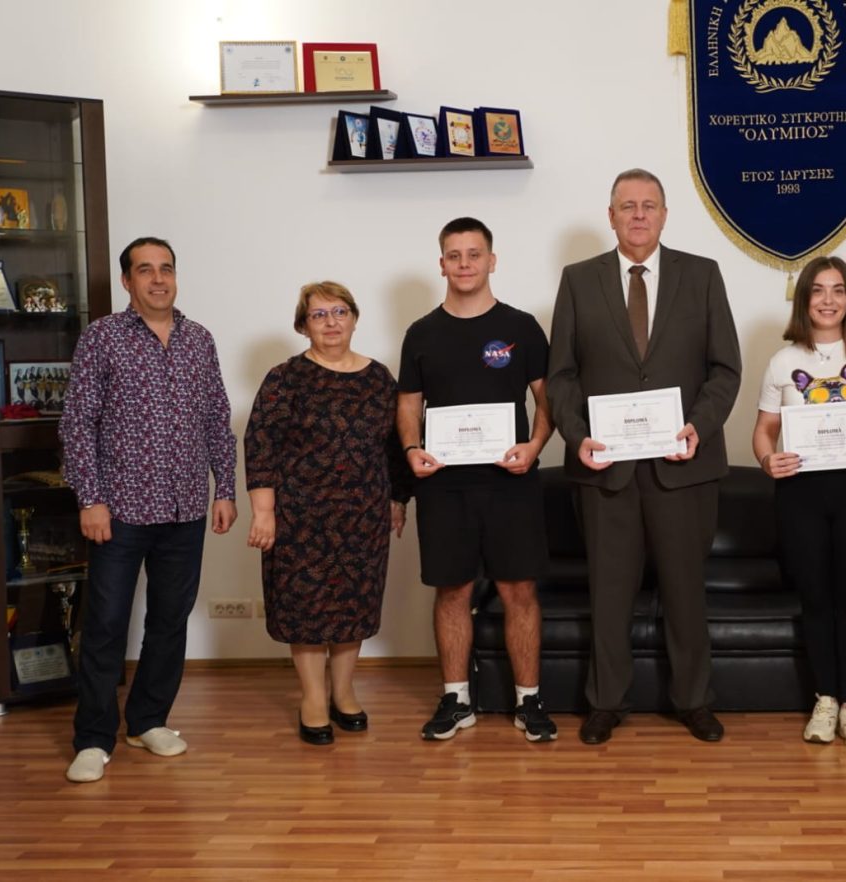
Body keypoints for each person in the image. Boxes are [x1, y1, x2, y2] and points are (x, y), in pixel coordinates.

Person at [547, 169, 742, 744]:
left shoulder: (702, 275)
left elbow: (725, 369)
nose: (638, 215)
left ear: (664, 214)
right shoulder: (578, 280)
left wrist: (697, 427)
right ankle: (606, 702)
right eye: (627, 205)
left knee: (685, 591)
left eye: (648, 205)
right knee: (609, 593)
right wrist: (577, 435)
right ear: (610, 216)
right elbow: (561, 376)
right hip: (605, 468)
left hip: (684, 466)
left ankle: (694, 701)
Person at [60, 236, 238, 783]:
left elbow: (217, 417)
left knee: (168, 621)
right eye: (145, 269)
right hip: (120, 509)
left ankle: (148, 721)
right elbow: (77, 423)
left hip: (185, 508)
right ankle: (93, 739)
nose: (158, 279)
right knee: (106, 625)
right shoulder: (102, 338)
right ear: (127, 281)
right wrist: (90, 498)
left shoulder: (199, 339)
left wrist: (225, 489)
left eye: (166, 269)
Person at [396, 217, 558, 742]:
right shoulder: (421, 333)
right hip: (443, 485)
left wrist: (535, 446)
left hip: (510, 482)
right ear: (441, 264)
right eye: (454, 255)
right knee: (452, 591)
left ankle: (529, 701)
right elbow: (408, 405)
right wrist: (411, 449)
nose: (464, 264)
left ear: (492, 260)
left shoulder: (522, 327)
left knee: (519, 591)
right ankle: (456, 699)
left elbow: (547, 399)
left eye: (474, 254)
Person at [244, 282, 412, 745]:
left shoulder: (379, 379)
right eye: (319, 315)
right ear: (303, 326)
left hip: (363, 514)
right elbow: (260, 445)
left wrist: (398, 499)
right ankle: (313, 698)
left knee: (353, 606)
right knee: (306, 609)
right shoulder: (285, 378)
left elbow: (396, 445)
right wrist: (263, 511)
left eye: (339, 312)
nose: (331, 322)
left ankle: (344, 691)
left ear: (354, 318)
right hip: (300, 517)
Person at [751, 255, 846, 750]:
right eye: (818, 290)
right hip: (801, 494)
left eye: (838, 290)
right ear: (804, 300)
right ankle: (826, 700)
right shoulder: (783, 362)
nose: (828, 300)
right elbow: (763, 430)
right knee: (815, 600)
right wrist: (767, 460)